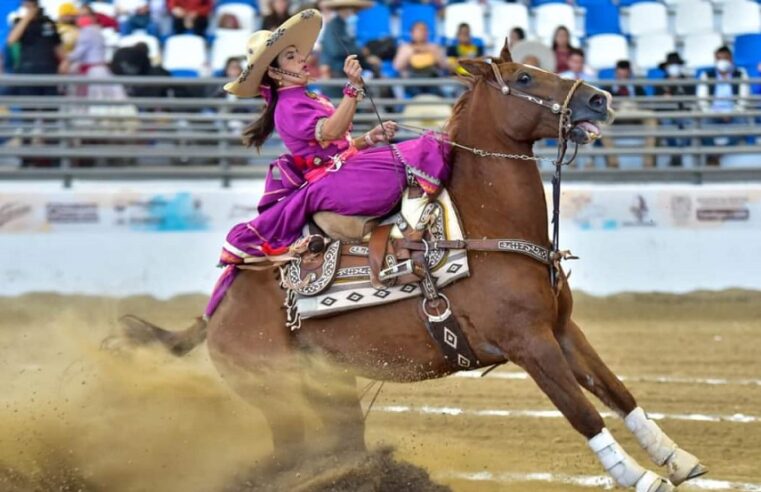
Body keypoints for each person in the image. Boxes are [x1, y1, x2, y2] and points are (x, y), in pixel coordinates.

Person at [206, 9, 451, 317]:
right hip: (333, 183)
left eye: (299, 54)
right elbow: (331, 132)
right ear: (276, 73)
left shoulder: (305, 98)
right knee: (421, 150)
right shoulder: (289, 106)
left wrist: (369, 138)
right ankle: (414, 244)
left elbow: (335, 146)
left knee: (420, 148)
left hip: (341, 170)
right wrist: (352, 88)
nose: (303, 59)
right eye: (292, 58)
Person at [697, 45, 751, 156]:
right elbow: (702, 99)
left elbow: (744, 98)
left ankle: (718, 155)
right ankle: (713, 155)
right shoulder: (706, 75)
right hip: (712, 113)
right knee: (702, 126)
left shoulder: (740, 74)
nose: (721, 61)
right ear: (715, 60)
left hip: (734, 113)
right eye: (719, 59)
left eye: (724, 59)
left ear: (730, 60)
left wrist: (733, 112)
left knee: (742, 125)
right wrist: (713, 113)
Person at [319, 0, 378, 97]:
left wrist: (368, 62)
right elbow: (335, 50)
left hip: (347, 74)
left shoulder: (347, 27)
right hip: (336, 76)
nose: (355, 12)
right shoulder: (333, 26)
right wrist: (361, 52)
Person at [6, 0, 62, 96]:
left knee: (50, 103)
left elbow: (57, 44)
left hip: (48, 68)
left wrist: (65, 61)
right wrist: (27, 18)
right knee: (29, 103)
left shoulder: (48, 22)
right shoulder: (19, 22)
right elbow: (11, 40)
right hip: (27, 68)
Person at [655, 52, 695, 166]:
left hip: (684, 114)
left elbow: (691, 101)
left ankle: (677, 154)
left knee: (688, 124)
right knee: (667, 124)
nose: (673, 67)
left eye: (676, 64)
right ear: (666, 68)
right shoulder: (660, 84)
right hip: (667, 114)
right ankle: (676, 153)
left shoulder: (688, 83)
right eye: (671, 65)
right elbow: (657, 105)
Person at [393, 21, 449, 96]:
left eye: (425, 30)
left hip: (431, 80)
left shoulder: (433, 47)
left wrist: (435, 54)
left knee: (438, 93)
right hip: (412, 81)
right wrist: (412, 51)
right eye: (420, 30)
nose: (423, 33)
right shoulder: (405, 48)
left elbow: (444, 66)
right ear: (412, 33)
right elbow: (397, 67)